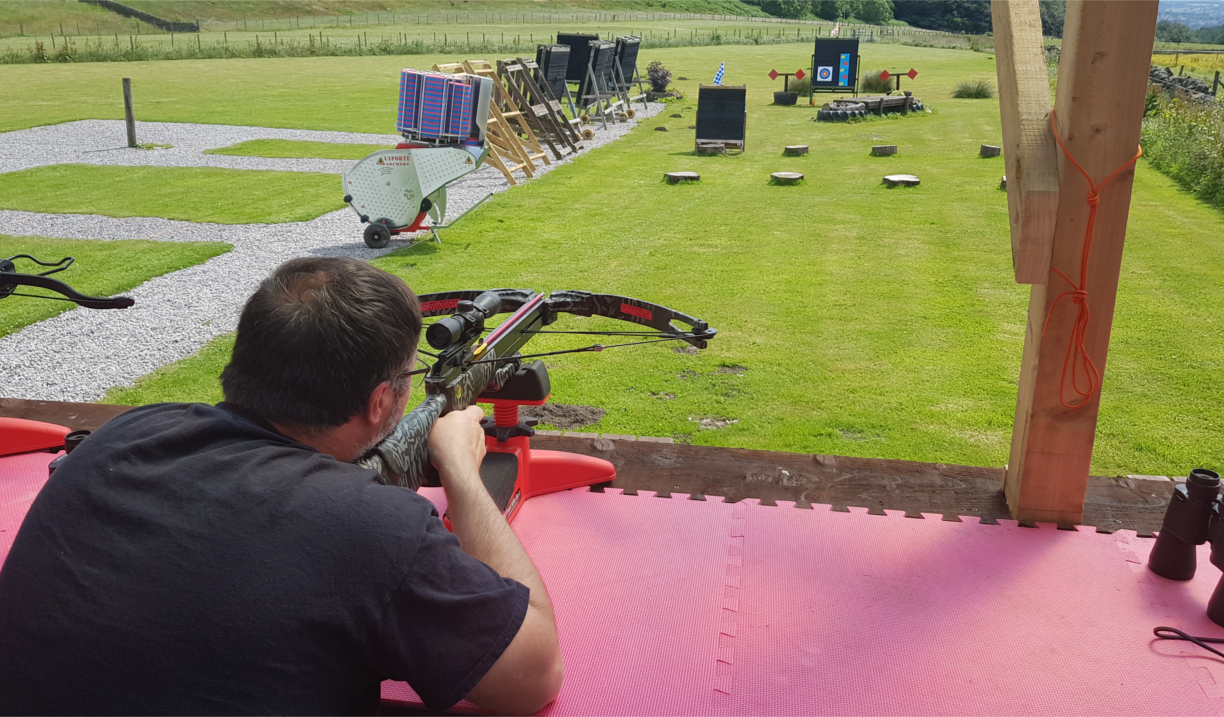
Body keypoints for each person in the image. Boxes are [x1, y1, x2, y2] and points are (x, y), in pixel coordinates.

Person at [0, 257, 563, 715]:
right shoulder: (373, 527)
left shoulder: (124, 433)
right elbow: (533, 677)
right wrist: (463, 470)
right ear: (379, 403)